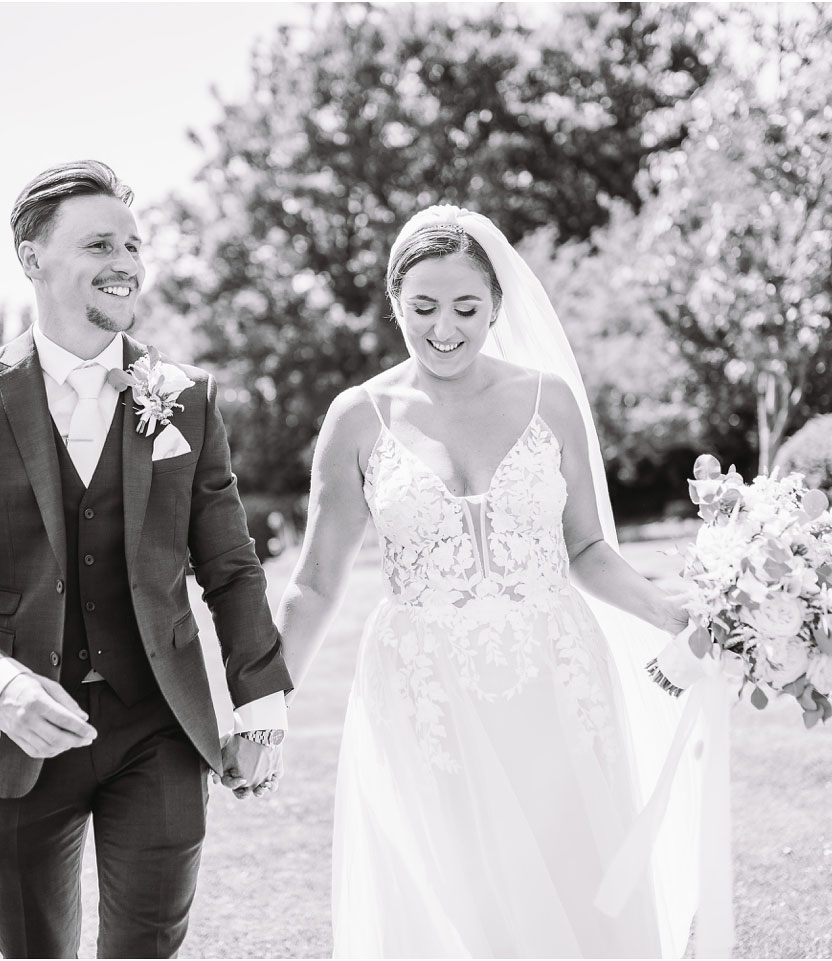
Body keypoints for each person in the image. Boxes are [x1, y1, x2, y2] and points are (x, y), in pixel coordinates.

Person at [276, 205, 734, 957]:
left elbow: (585, 545)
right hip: (425, 698)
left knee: (577, 877)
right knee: (459, 894)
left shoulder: (548, 399)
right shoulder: (357, 419)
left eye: (466, 307)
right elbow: (317, 583)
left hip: (559, 682)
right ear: (394, 301)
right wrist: (266, 706)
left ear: (496, 305)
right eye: (422, 308)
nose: (445, 328)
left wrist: (674, 610)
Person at [0, 160, 292, 959]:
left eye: (134, 245)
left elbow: (231, 566)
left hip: (161, 729)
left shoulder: (185, 394)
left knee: (147, 947)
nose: (128, 263)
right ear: (32, 259)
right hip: (21, 733)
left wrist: (261, 707)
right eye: (100, 243)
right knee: (34, 947)